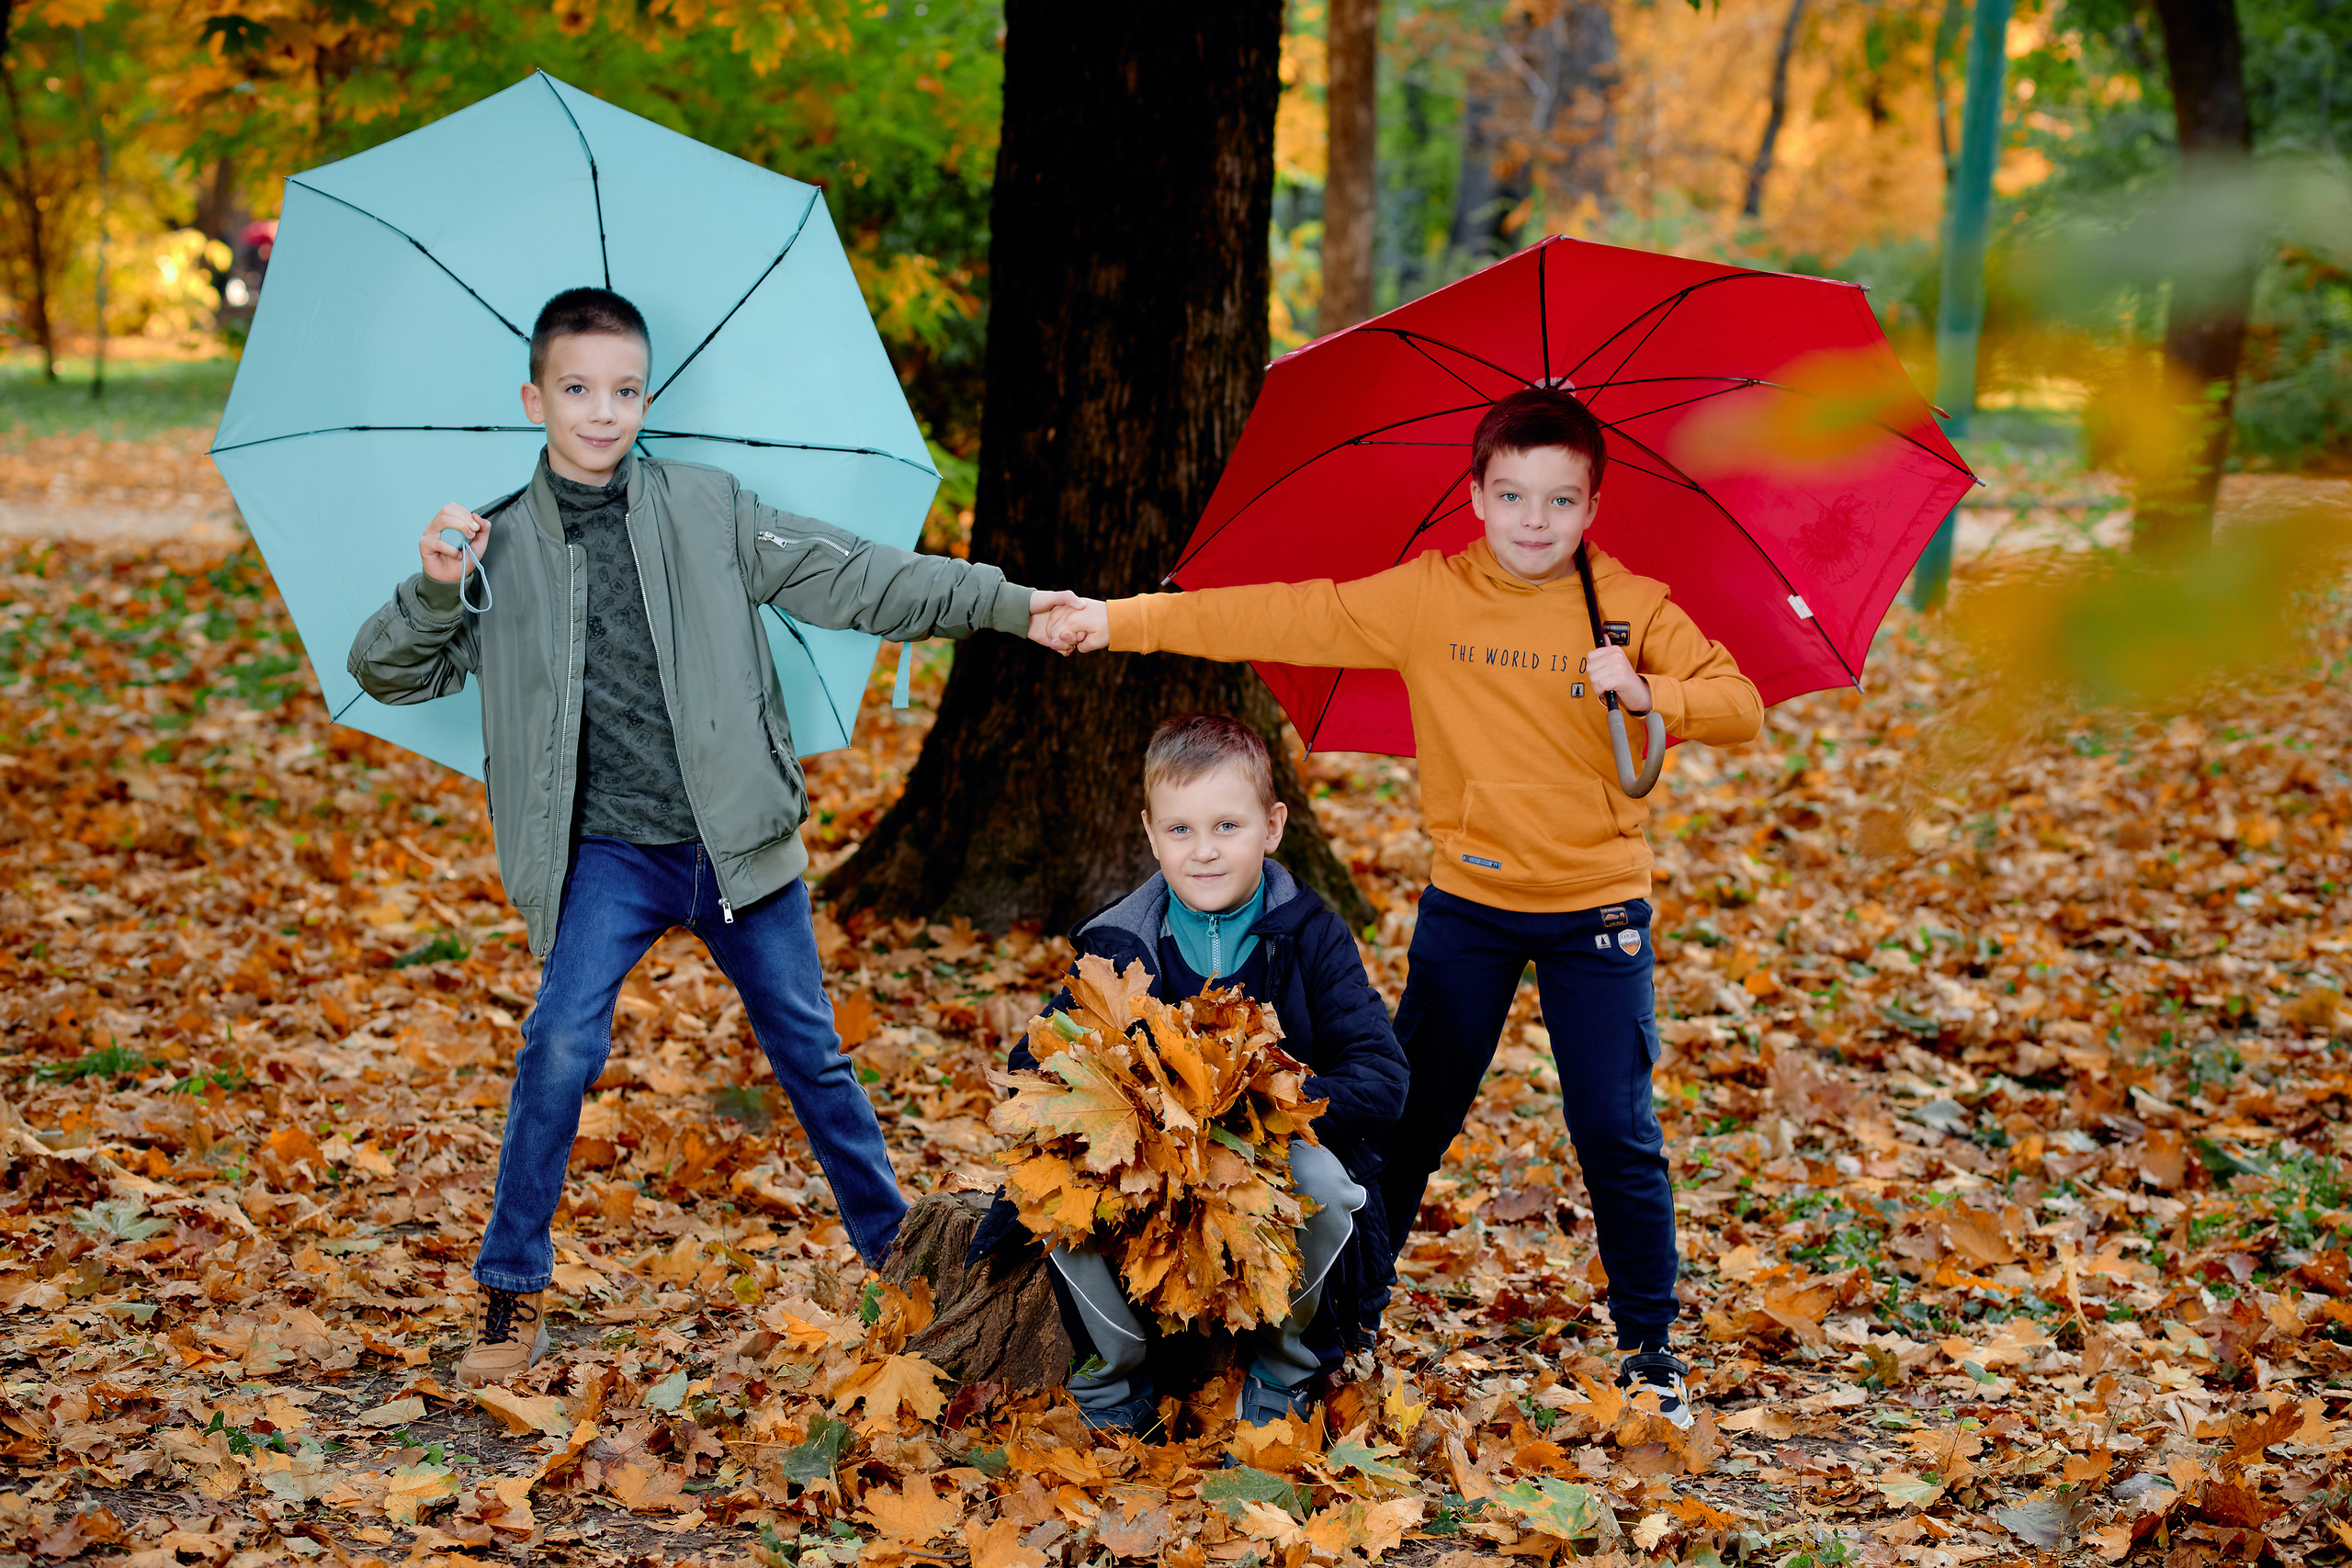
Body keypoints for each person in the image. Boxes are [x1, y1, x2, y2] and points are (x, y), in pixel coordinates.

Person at [348, 287, 1086, 1388]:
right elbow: (387, 671)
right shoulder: (495, 550)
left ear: (648, 395)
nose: (605, 412)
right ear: (535, 396)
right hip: (607, 856)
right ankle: (509, 1293)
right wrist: (436, 587)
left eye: (627, 389)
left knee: (814, 1060)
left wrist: (1010, 603)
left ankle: (894, 1265)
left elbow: (859, 576)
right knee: (556, 1048)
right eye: (579, 389)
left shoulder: (711, 507)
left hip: (736, 848)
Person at [1052, 388, 1763, 1427]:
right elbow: (1277, 610)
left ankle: (1650, 1349)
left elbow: (1738, 702)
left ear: (1591, 504)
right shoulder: (1429, 596)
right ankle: (1353, 1317)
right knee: (1411, 1121)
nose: (1534, 519)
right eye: (1512, 494)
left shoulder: (1627, 604)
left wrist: (1656, 693)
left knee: (1615, 1131)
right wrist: (1117, 621)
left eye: (1559, 500)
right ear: (1474, 495)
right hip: (1468, 906)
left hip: (1598, 910)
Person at [970, 714, 1407, 1435]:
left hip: (1265, 1156)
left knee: (1329, 1187)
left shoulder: (1310, 934)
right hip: (1153, 1161)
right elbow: (1033, 1064)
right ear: (1150, 833)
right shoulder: (1123, 941)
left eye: (1227, 827)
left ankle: (1283, 1368)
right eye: (1180, 830)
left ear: (1272, 826)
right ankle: (1117, 1377)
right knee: (1051, 1184)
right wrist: (1130, 1095)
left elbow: (1383, 1078)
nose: (1203, 852)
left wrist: (1263, 1102)